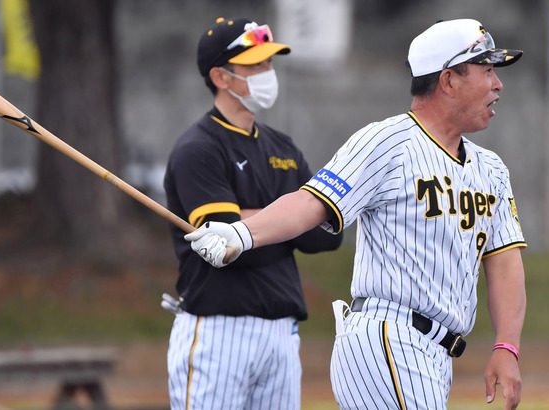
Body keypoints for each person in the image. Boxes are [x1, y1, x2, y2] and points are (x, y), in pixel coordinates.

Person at [185, 18, 527, 410]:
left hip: (436, 352)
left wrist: (507, 347)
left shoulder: (492, 169)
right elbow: (312, 202)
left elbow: (504, 261)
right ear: (448, 80)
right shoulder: (387, 142)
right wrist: (240, 235)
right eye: (486, 70)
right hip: (387, 338)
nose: (498, 84)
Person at [163, 17, 343, 410]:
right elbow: (226, 242)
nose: (267, 74)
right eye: (255, 65)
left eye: (268, 64)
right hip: (218, 330)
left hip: (281, 332)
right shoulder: (198, 148)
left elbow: (328, 235)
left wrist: (258, 223)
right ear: (221, 77)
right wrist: (292, 217)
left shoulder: (284, 147)